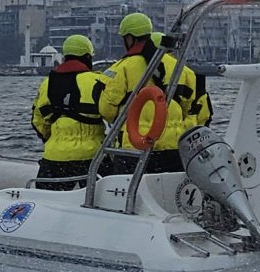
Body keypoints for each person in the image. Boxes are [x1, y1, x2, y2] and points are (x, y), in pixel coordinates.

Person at [96, 14, 195, 173]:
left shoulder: (121, 69)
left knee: (130, 191)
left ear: (129, 39)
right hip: (172, 148)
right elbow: (188, 107)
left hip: (134, 148)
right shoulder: (180, 69)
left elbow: (106, 110)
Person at [31, 35, 110, 190]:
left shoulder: (47, 83)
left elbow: (38, 122)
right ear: (88, 57)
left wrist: (53, 140)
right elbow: (112, 113)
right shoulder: (98, 81)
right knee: (106, 203)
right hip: (92, 157)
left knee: (47, 203)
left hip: (55, 158)